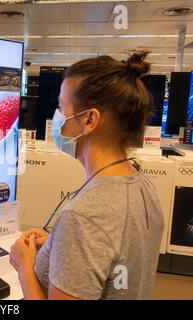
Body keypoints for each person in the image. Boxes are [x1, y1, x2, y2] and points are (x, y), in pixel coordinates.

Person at [10, 51, 164, 300]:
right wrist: (58, 245)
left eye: (62, 108)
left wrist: (24, 266)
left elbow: (93, 227)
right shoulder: (143, 184)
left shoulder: (82, 217)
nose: (58, 118)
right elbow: (117, 256)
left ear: (90, 119)